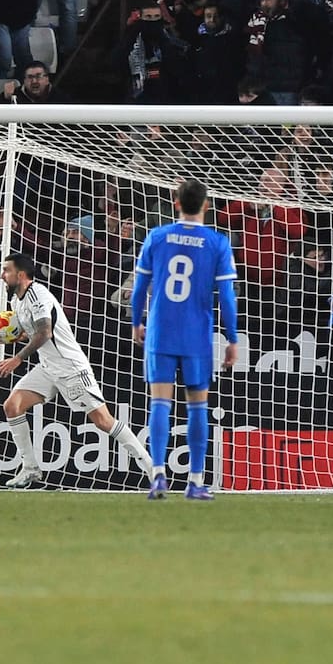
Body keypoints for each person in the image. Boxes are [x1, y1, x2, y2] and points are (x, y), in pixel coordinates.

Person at [0, 252, 154, 488]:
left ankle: (151, 467)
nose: (2, 275)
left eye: (7, 270)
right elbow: (31, 333)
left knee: (103, 421)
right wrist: (8, 337)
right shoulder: (16, 301)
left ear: (21, 274)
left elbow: (45, 332)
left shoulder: (38, 294)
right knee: (12, 406)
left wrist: (17, 358)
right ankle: (30, 469)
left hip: (70, 367)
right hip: (48, 367)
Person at [129, 178, 239, 501]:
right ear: (206, 205)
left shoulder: (157, 236)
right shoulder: (217, 242)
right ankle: (195, 481)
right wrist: (232, 338)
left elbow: (139, 288)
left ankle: (158, 476)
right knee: (197, 406)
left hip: (161, 331)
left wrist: (136, 322)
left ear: (176, 203)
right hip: (196, 335)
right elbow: (227, 297)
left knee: (159, 403)